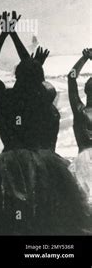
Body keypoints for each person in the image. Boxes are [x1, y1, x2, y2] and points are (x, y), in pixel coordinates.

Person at [0, 11, 89, 234]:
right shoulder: (45, 103)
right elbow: (31, 71)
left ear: (17, 77)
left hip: (11, 161)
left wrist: (5, 35)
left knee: (10, 219)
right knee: (43, 220)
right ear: (40, 79)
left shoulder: (6, 99)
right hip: (43, 162)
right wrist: (15, 37)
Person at [68, 48, 92, 204]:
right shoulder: (79, 110)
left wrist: (85, 58)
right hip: (83, 162)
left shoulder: (79, 110)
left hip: (83, 162)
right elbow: (70, 78)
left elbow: (71, 78)